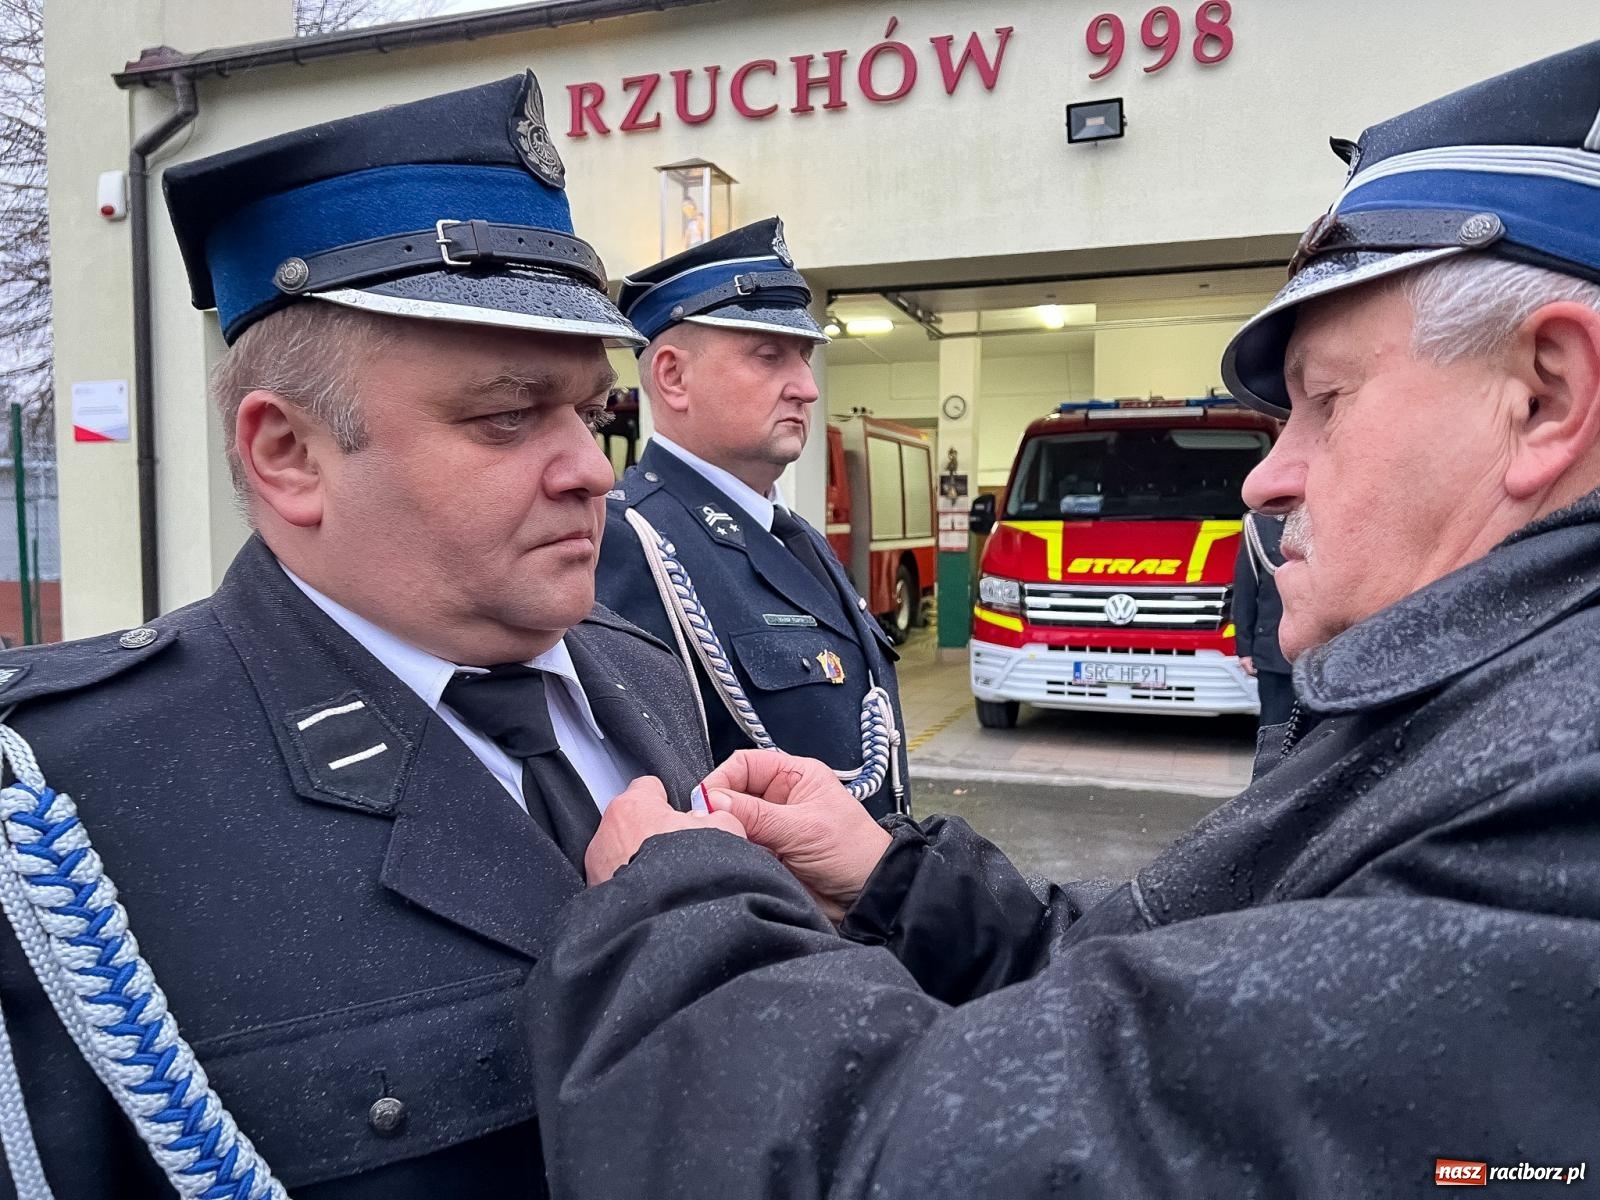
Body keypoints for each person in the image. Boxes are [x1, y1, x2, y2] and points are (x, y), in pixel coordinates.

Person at [530, 41, 1600, 1197]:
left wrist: (672, 918)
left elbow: (971, 1157)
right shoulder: (1482, 717)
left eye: (1325, 403)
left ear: (1543, 396)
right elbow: (1180, 980)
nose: (1264, 478)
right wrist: (895, 879)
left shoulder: (1555, 792)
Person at [0, 73, 733, 1200]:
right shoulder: (71, 802)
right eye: (505, 415)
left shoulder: (641, 676)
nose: (593, 468)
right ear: (288, 455)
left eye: (590, 414)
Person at [594, 218, 910, 819]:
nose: (806, 388)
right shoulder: (627, 545)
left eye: (805, 359)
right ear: (673, 376)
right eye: (769, 357)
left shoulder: (796, 540)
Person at [1232, 510, 1293, 727]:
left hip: (1325, 650)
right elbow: (1246, 588)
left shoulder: (1330, 511)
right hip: (1274, 649)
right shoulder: (1260, 523)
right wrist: (1245, 647)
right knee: (1275, 732)